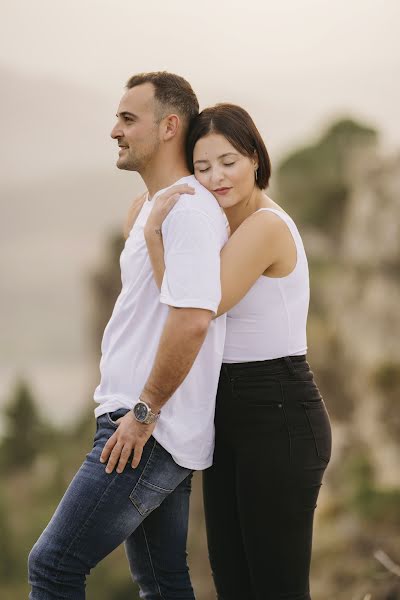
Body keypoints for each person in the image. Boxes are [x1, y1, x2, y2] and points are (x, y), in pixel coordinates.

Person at [28, 72, 229, 600]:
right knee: (161, 582)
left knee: (52, 567)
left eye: (127, 118)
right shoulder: (153, 211)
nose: (113, 131)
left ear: (169, 126)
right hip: (146, 424)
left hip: (145, 428)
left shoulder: (187, 211)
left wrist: (144, 414)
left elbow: (193, 320)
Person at [143, 103, 332, 600]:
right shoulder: (227, 228)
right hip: (230, 415)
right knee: (234, 584)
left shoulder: (267, 227)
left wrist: (154, 239)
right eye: (201, 168)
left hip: (279, 413)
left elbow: (198, 306)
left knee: (276, 588)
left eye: (227, 161)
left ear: (254, 156)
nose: (216, 177)